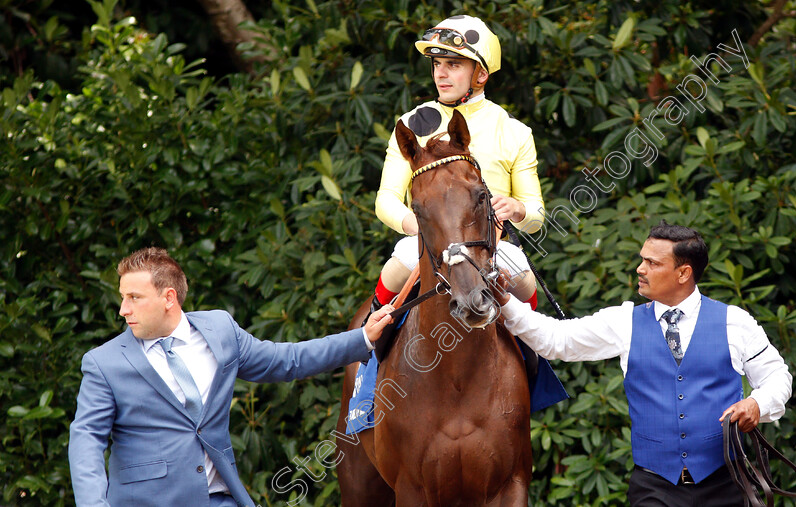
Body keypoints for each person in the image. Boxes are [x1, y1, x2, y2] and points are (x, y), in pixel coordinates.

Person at [495, 221, 792, 506]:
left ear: (683, 273)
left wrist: (757, 404)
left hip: (728, 483)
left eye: (653, 263)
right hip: (654, 488)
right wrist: (505, 301)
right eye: (642, 260)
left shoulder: (735, 322)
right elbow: (556, 340)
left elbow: (777, 377)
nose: (640, 269)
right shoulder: (624, 322)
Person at [68, 247, 394, 507]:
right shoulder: (103, 363)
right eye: (123, 297)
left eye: (134, 297)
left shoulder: (219, 330)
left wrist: (361, 339)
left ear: (169, 298)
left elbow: (287, 360)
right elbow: (86, 443)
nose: (123, 309)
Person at [372, 14, 545, 312]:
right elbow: (386, 199)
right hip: (429, 244)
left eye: (453, 65)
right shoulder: (411, 124)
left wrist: (517, 209)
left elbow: (536, 214)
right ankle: (369, 349)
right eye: (437, 64)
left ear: (480, 75)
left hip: (492, 248)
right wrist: (418, 226)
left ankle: (537, 358)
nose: (441, 74)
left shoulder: (515, 131)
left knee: (525, 278)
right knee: (400, 260)